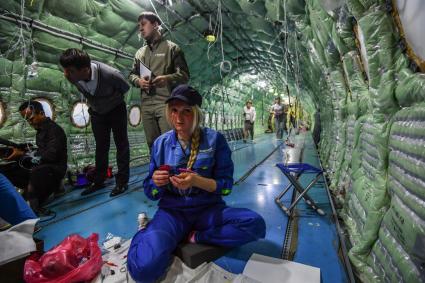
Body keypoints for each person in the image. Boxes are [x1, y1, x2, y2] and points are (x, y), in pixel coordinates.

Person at [127, 85, 266, 283]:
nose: (179, 118)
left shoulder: (215, 141)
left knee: (255, 224)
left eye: (186, 112)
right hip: (172, 213)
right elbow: (151, 192)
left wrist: (198, 181)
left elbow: (226, 186)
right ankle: (144, 232)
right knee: (144, 270)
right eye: (174, 111)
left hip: (207, 210)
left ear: (198, 114)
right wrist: (156, 183)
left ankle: (195, 237)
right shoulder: (161, 144)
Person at [60, 48, 130, 197]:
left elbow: (125, 87)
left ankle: (122, 182)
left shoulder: (109, 74)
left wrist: (109, 101)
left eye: (70, 71)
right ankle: (99, 181)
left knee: (121, 144)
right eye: (65, 70)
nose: (66, 74)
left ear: (85, 69)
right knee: (101, 147)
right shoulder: (74, 77)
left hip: (116, 110)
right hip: (97, 113)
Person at [129, 11, 190, 151]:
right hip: (146, 105)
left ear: (155, 24)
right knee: (152, 143)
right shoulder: (140, 53)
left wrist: (167, 78)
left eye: (143, 24)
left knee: (171, 141)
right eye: (139, 26)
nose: (140, 28)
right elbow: (131, 75)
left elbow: (185, 75)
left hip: (166, 103)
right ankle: (158, 172)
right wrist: (138, 81)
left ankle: (175, 172)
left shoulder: (172, 48)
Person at [1, 100, 67, 213]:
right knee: (6, 169)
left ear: (41, 113)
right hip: (42, 167)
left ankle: (32, 206)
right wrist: (24, 151)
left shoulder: (55, 130)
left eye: (31, 119)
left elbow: (51, 156)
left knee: (36, 171)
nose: (30, 123)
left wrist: (23, 154)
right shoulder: (40, 131)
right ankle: (29, 191)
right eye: (27, 120)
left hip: (55, 170)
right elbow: (41, 152)